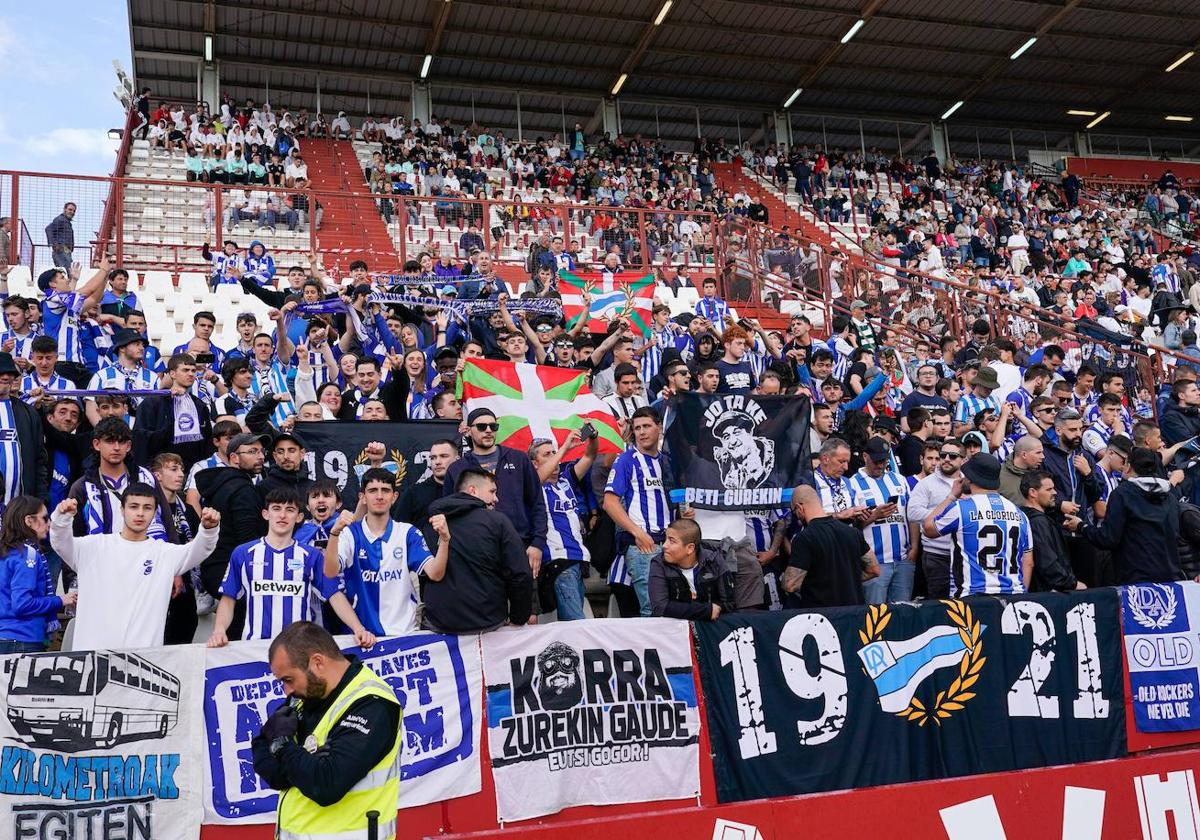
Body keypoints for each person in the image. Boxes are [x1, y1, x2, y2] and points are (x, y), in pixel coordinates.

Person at [251, 622, 403, 840]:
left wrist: (284, 746)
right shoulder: (304, 696)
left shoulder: (373, 703)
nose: (287, 690)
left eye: (288, 679)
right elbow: (264, 757)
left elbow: (325, 785)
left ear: (317, 662)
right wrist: (304, 765)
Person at [50, 484, 220, 651]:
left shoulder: (164, 553)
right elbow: (60, 543)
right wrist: (61, 519)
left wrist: (209, 530)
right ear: (122, 510)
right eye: (133, 506)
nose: (140, 513)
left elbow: (199, 550)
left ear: (154, 513)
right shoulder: (93, 546)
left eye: (147, 508)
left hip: (143, 662)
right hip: (93, 657)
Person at [209, 488, 376, 647]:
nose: (282, 515)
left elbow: (334, 595)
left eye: (290, 510)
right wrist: (218, 630)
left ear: (299, 517)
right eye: (276, 508)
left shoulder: (311, 556)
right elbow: (229, 598)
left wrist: (358, 628)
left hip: (299, 649)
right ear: (265, 514)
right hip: (254, 649)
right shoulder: (243, 553)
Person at [324, 468, 448, 636]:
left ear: (394, 497)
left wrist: (445, 540)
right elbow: (330, 572)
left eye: (386, 490)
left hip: (403, 634)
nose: (380, 496)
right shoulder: (350, 533)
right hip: (362, 636)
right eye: (373, 491)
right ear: (363, 497)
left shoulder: (407, 533)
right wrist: (335, 533)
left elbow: (436, 574)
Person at [423, 468, 533, 633]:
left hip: (439, 623)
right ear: (472, 490)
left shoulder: (430, 524)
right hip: (488, 623)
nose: (496, 498)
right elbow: (520, 573)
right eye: (492, 491)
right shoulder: (498, 521)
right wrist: (519, 618)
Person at [444, 408, 547, 577]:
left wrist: (537, 544)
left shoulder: (519, 459)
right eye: (482, 426)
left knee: (523, 602)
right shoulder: (457, 469)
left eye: (493, 426)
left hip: (519, 546)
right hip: (476, 552)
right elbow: (449, 513)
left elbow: (537, 503)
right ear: (468, 431)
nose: (488, 431)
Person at [923, 453, 1033, 596]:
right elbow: (1028, 561)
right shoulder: (1019, 513)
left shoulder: (961, 508)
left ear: (970, 478)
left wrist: (951, 496)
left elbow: (928, 529)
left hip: (973, 596)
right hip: (1014, 594)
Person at [1074, 447, 1184, 584]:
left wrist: (1081, 526)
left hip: (1134, 579)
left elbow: (1108, 538)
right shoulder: (1171, 497)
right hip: (1170, 576)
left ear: (1129, 467)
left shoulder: (1122, 494)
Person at [194, 432, 270, 628]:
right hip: (232, 571)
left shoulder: (225, 483)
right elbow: (248, 540)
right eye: (252, 451)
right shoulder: (241, 489)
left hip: (218, 569)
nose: (260, 456)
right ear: (234, 458)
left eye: (261, 451)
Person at [603, 406, 671, 616]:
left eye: (647, 426)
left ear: (659, 427)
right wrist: (637, 532)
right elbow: (609, 502)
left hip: (669, 544)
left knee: (668, 608)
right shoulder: (626, 460)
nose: (641, 432)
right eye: (637, 427)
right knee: (652, 610)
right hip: (643, 546)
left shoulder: (667, 460)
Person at [530, 429, 599, 621]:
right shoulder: (533, 485)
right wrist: (564, 448)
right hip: (558, 560)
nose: (555, 458)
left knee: (574, 621)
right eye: (547, 454)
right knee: (575, 622)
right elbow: (535, 480)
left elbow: (590, 455)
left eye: (554, 452)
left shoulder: (566, 481)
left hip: (577, 557)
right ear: (535, 463)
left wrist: (593, 437)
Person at [782, 485, 879, 608]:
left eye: (795, 512)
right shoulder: (853, 532)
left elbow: (790, 584)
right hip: (853, 614)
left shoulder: (804, 538)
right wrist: (846, 580)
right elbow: (874, 570)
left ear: (799, 508)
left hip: (822, 617)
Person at [0, 496, 75, 652]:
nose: (49, 523)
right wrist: (59, 600)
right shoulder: (28, 554)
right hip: (22, 639)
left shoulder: (6, 552)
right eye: (45, 518)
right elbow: (22, 604)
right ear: (29, 521)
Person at [849, 438, 917, 604]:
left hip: (903, 560)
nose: (880, 465)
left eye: (884, 460)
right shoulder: (852, 484)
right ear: (865, 456)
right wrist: (874, 516)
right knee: (875, 616)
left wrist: (915, 547)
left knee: (902, 614)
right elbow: (850, 528)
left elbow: (911, 516)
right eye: (876, 461)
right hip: (875, 563)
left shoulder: (899, 480)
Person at [907, 438, 965, 598]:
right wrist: (944, 517)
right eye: (943, 455)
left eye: (952, 456)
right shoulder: (926, 483)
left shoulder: (969, 483)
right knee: (939, 603)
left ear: (963, 459)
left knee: (964, 603)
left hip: (964, 554)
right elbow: (912, 512)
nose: (946, 459)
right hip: (936, 554)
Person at [648, 518, 731, 620]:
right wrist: (706, 610)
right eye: (665, 539)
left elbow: (729, 603)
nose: (664, 545)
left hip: (710, 626)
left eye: (672, 541)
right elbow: (659, 607)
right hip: (672, 628)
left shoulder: (714, 561)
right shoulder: (658, 563)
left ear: (690, 548)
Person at [1019, 471, 1084, 592]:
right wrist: (1071, 584)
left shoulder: (1031, 518)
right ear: (1032, 492)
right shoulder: (1038, 522)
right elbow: (1047, 562)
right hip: (1047, 593)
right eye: (1049, 489)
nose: (1055, 492)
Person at [0, 352, 48, 506]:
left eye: (9, 373)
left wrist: (39, 501)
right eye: (1, 373)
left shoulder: (28, 412)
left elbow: (40, 460)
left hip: (21, 508)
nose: (5, 377)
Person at [393, 439, 458, 548]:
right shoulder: (414, 492)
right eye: (433, 458)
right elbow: (399, 531)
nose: (437, 462)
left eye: (443, 456)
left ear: (457, 460)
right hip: (422, 558)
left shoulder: (465, 491)